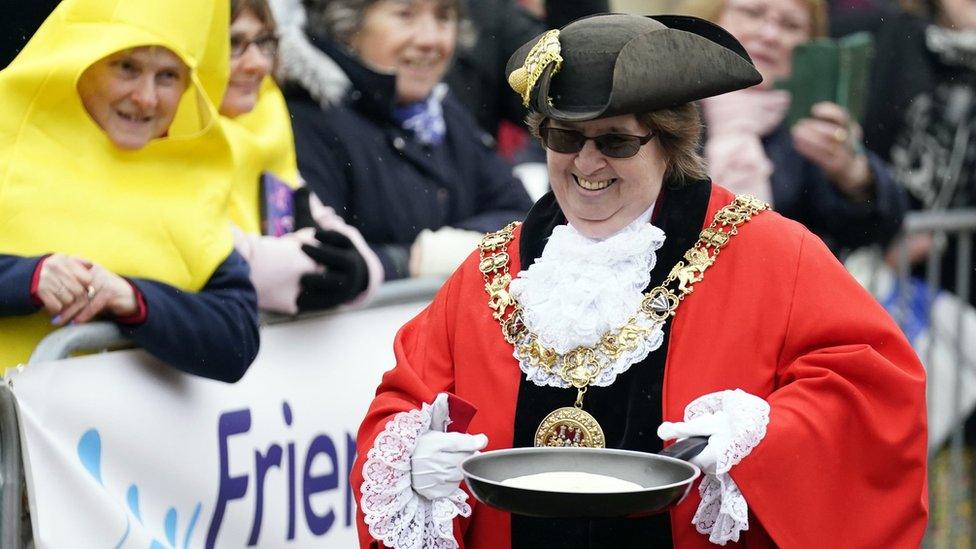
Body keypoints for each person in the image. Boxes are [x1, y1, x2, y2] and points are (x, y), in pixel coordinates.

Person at [350, 13, 927, 548]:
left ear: (670, 141)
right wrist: (411, 460)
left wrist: (760, 437)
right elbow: (403, 398)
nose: (586, 163)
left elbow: (875, 396)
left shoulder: (775, 253)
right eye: (564, 137)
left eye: (616, 141)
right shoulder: (493, 269)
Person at [0, 0, 259, 382]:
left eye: (168, 75)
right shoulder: (9, 142)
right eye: (127, 67)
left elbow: (236, 339)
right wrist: (27, 277)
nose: (146, 97)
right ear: (82, 62)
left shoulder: (191, 181)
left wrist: (132, 299)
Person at [273, 0, 533, 280]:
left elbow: (520, 215)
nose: (430, 39)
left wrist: (447, 247)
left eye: (444, 17)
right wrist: (409, 261)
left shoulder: (444, 111)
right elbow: (325, 260)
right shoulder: (308, 122)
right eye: (405, 15)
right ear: (348, 26)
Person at [685, 0, 907, 253]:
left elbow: (874, 229)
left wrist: (854, 176)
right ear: (710, 17)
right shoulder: (669, 106)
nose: (770, 35)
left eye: (791, 25)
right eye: (752, 12)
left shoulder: (804, 124)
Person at [220, 0, 383, 314]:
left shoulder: (264, 118)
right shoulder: (158, 134)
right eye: (232, 44)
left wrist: (359, 272)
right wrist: (312, 258)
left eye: (264, 42)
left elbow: (324, 221)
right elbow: (219, 259)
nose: (257, 64)